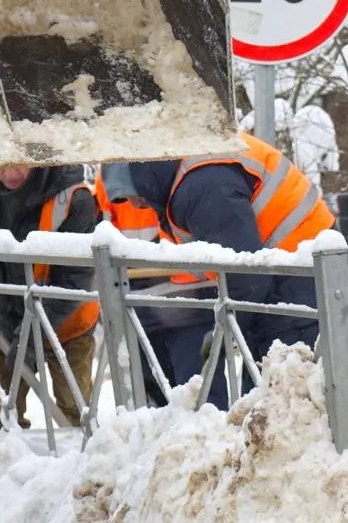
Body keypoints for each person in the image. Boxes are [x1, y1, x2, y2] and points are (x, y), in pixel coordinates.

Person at [98, 132, 335, 408]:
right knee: (268, 399)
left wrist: (223, 333)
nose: (137, 205)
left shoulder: (201, 187)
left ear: (145, 177)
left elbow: (245, 276)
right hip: (290, 274)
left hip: (302, 278)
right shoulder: (188, 170)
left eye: (132, 195)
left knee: (282, 401)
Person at [0, 164, 100, 429]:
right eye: (2, 166)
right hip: (2, 314)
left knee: (75, 413)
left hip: (67, 320)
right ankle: (5, 465)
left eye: (20, 166)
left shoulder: (72, 195)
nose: (11, 174)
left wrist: (32, 335)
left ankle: (82, 466)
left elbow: (74, 278)